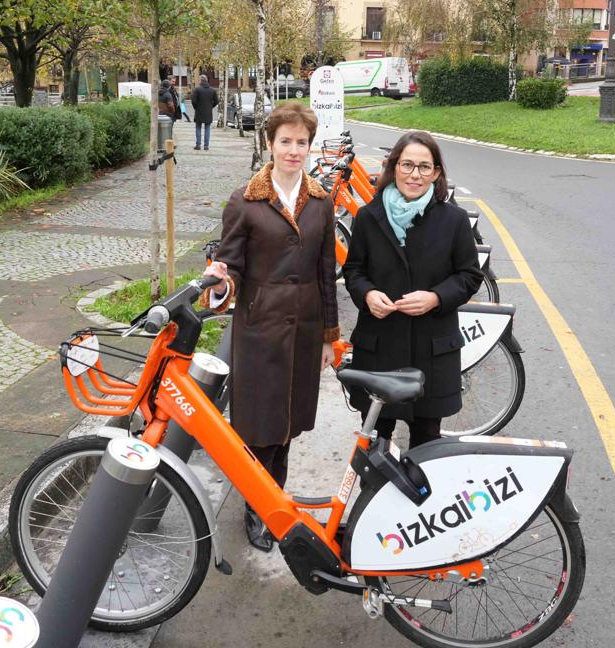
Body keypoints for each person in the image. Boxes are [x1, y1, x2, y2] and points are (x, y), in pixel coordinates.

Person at [202, 102, 339, 551]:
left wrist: (328, 337)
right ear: (270, 144)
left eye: (302, 143)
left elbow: (325, 274)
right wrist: (221, 283)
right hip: (259, 331)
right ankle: (256, 508)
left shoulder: (320, 202)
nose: (294, 151)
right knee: (259, 426)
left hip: (303, 331)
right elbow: (231, 263)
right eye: (286, 141)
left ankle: (274, 497)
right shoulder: (246, 200)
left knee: (287, 425)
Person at [341, 130, 482, 449]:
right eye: (406, 165)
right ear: (394, 167)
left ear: (436, 173)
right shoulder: (368, 217)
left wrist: (435, 298)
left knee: (427, 447)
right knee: (375, 448)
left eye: (423, 167)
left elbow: (469, 276)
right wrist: (367, 294)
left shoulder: (454, 221)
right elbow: (354, 270)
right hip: (380, 349)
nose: (414, 175)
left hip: (431, 353)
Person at [191, 74, 218, 150]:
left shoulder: (197, 90)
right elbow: (216, 101)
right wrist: (210, 107)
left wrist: (196, 107)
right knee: (207, 128)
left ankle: (198, 145)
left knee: (198, 127)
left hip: (199, 111)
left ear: (200, 81)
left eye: (199, 80)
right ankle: (206, 145)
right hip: (208, 112)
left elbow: (193, 101)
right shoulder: (212, 90)